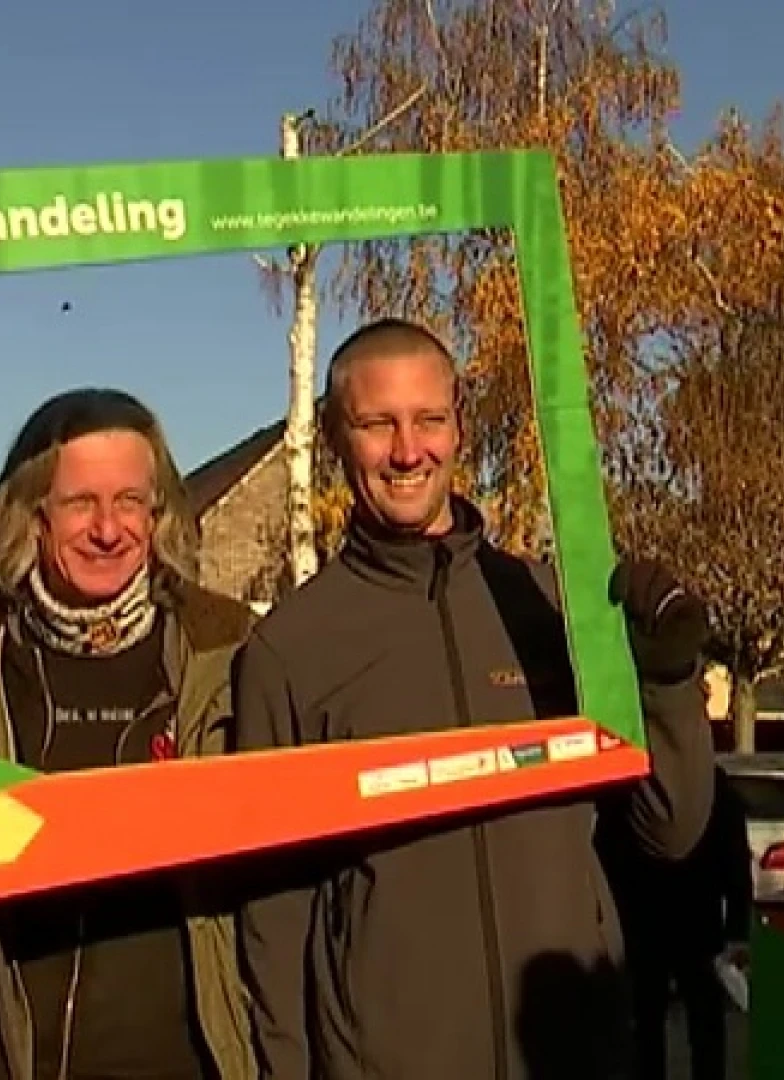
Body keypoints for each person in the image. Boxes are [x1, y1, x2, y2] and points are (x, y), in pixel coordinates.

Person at [232, 317, 717, 1080]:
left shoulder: (552, 608)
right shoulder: (290, 650)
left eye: (429, 419)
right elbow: (272, 913)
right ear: (334, 437)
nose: (406, 451)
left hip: (573, 1054)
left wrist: (667, 682)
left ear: (460, 423)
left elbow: (670, 831)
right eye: (376, 424)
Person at [0, 389, 256, 1079]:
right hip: (5, 1058)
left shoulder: (227, 647)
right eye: (81, 503)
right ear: (31, 514)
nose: (109, 530)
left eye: (130, 501)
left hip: (185, 1060)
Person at [597, 763, 754, 1080]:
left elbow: (606, 849)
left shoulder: (633, 785)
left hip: (645, 922)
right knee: (702, 1023)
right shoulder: (709, 783)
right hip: (696, 920)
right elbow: (736, 858)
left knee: (648, 1023)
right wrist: (737, 927)